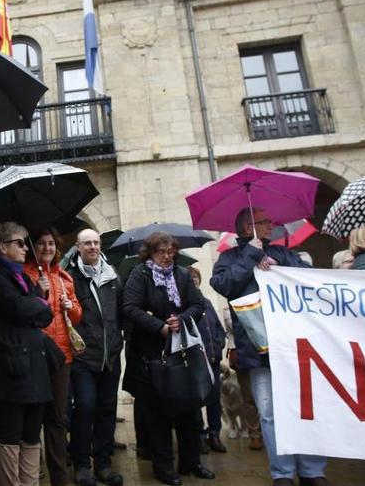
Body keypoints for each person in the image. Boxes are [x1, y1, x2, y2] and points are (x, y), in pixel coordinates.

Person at [210, 207, 329, 486]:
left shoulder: (284, 252)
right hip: (258, 350)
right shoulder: (229, 258)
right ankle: (283, 473)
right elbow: (223, 285)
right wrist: (251, 255)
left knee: (305, 408)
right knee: (269, 413)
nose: (271, 225)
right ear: (248, 227)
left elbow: (310, 278)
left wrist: (280, 267)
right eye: (264, 221)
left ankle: (312, 470)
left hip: (294, 345)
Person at [123, 232, 214, 485]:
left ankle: (191, 462)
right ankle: (163, 468)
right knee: (159, 413)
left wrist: (181, 319)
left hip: (183, 351)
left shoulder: (183, 274)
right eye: (161, 252)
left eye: (170, 252)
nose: (166, 257)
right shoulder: (140, 275)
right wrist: (159, 326)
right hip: (152, 354)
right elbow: (130, 308)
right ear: (150, 253)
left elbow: (198, 305)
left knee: (189, 410)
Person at [0, 222, 55, 486]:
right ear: (2, 247)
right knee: (8, 435)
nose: (25, 248)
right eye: (19, 243)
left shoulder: (25, 278)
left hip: (34, 368)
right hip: (10, 371)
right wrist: (38, 303)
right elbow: (19, 309)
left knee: (32, 435)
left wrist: (39, 299)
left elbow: (45, 315)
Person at [22, 227, 83, 486]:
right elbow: (25, 313)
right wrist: (40, 292)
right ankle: (33, 474)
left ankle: (59, 477)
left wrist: (73, 308)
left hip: (62, 355)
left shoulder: (64, 277)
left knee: (58, 418)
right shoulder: (25, 275)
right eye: (41, 243)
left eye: (50, 244)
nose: (47, 248)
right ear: (32, 248)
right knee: (33, 417)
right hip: (35, 355)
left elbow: (77, 314)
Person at [66, 228, 125, 486]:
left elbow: (122, 313)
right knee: (86, 407)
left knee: (107, 409)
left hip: (110, 355)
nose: (92, 246)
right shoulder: (70, 278)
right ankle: (81, 464)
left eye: (95, 242)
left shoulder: (113, 277)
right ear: (78, 247)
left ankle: (103, 463)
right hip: (83, 358)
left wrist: (120, 342)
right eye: (86, 243)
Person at [188, 266, 227, 454]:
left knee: (214, 400)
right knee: (197, 400)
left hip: (213, 359)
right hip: (196, 362)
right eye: (190, 277)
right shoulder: (185, 304)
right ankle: (200, 436)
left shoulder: (208, 303)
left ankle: (214, 434)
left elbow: (219, 328)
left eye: (196, 276)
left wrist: (218, 345)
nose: (194, 279)